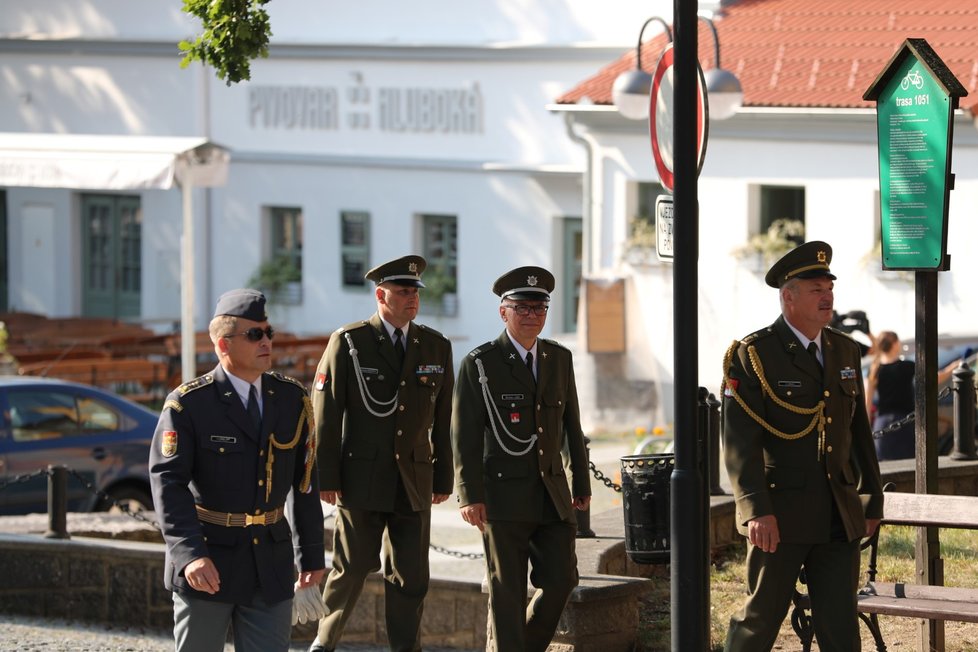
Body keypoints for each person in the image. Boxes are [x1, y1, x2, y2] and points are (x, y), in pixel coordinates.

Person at [720, 242, 884, 652]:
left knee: (841, 626)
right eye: (815, 288)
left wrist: (870, 501)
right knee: (760, 619)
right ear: (787, 295)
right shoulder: (754, 354)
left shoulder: (844, 349)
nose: (827, 295)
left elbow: (858, 431)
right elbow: (740, 443)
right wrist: (756, 510)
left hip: (837, 512)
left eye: (829, 286)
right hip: (781, 515)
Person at [149, 288, 326, 652]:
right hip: (209, 561)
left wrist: (310, 556)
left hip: (270, 565)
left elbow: (305, 482)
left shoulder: (291, 399)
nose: (266, 342)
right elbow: (168, 483)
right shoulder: (189, 404)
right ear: (223, 345)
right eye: (254, 334)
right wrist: (189, 554)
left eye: (268, 332)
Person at [309, 255, 454, 652]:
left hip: (413, 479)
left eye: (415, 292)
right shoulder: (350, 342)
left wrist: (443, 477)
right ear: (380, 294)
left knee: (411, 576)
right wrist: (328, 477)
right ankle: (324, 641)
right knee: (351, 568)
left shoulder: (435, 346)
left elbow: (443, 420)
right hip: (362, 477)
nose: (412, 299)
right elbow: (326, 414)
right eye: (403, 291)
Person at [451, 266, 591, 652]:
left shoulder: (559, 358)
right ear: (503, 312)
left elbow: (570, 424)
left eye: (539, 308)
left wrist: (580, 482)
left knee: (562, 580)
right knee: (507, 592)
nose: (531, 315)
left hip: (551, 492)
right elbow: (463, 435)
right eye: (522, 307)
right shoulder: (480, 364)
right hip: (502, 496)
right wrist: (468, 495)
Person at [865, 330, 959, 460]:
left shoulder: (874, 369)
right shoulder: (907, 366)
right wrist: (953, 368)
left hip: (883, 424)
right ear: (895, 344)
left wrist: (866, 428)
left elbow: (867, 402)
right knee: (909, 465)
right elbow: (934, 378)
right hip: (905, 422)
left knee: (885, 467)